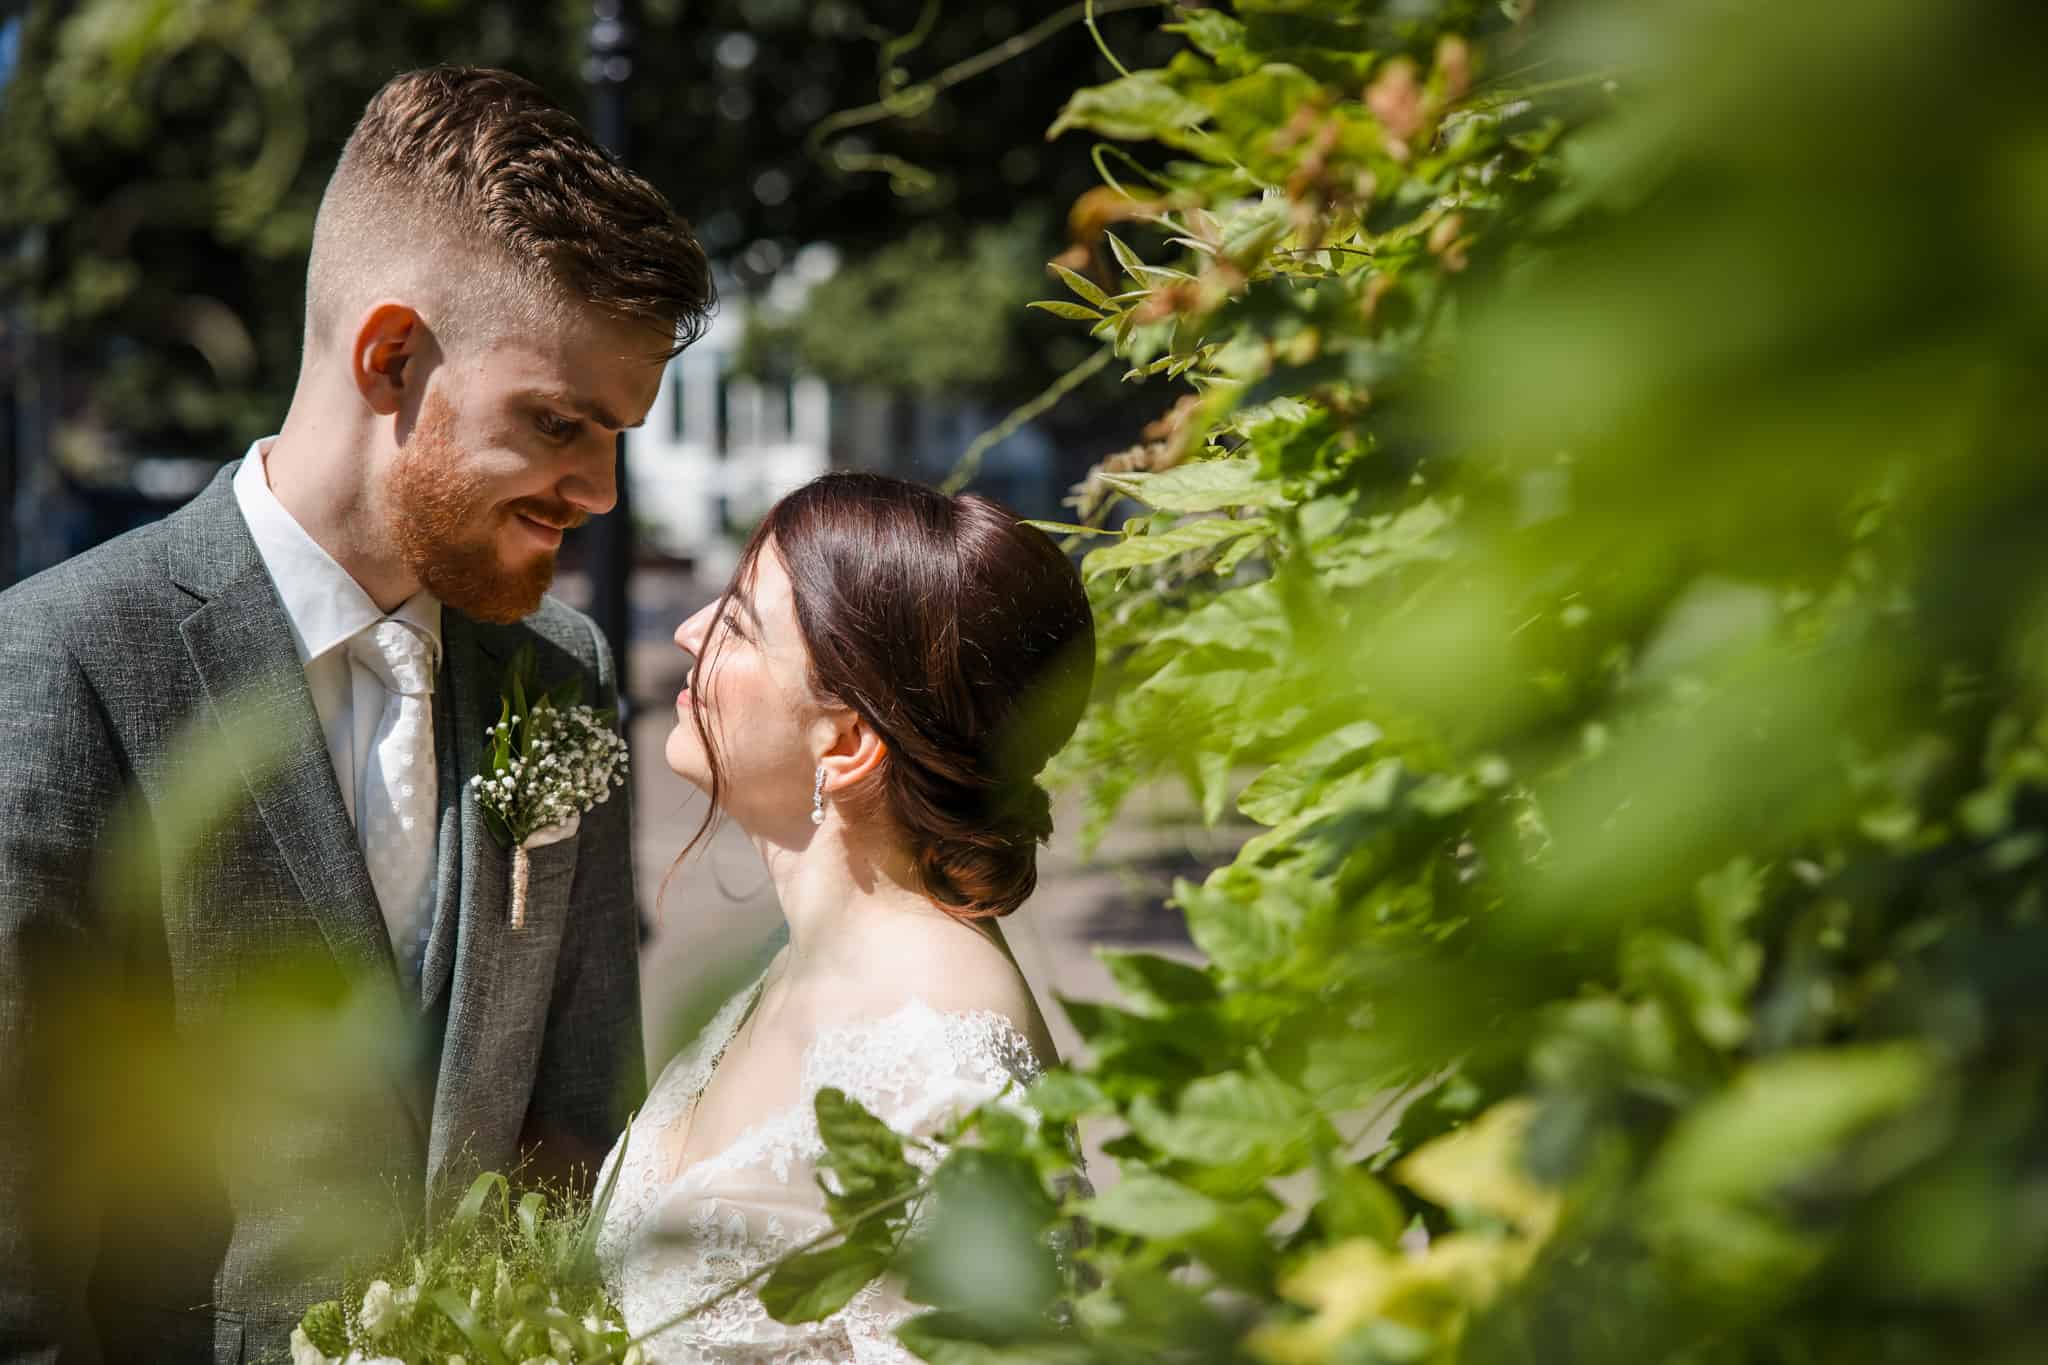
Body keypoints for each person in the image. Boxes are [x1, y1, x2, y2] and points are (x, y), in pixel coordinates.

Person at [0, 66, 712, 1363]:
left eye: (619, 436)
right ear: (391, 358)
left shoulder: (563, 673)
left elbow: (584, 1120)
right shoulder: (64, 663)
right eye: (560, 423)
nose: (602, 492)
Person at [595, 473, 1094, 1362]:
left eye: (739, 624)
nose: (687, 630)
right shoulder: (794, 966)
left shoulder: (945, 1069)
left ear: (850, 741)